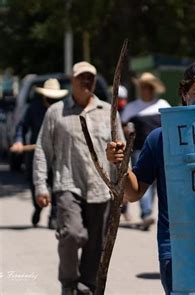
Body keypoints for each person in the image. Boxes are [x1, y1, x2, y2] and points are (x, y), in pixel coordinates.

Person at [106, 58, 195, 294]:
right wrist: (122, 163)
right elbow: (134, 192)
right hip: (178, 250)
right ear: (183, 94)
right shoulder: (160, 139)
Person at [33, 61, 124, 295]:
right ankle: (69, 282)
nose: (86, 82)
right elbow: (43, 150)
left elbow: (122, 152)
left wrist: (122, 189)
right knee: (73, 234)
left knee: (96, 244)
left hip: (101, 187)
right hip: (68, 185)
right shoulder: (56, 112)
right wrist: (41, 186)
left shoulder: (108, 112)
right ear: (71, 81)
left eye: (90, 78)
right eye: (81, 77)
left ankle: (86, 286)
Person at [10, 78, 68, 229]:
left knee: (57, 184)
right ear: (43, 96)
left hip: (58, 153)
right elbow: (22, 126)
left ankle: (54, 216)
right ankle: (38, 207)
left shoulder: (65, 109)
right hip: (36, 152)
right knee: (36, 184)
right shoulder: (33, 108)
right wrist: (18, 141)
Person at [120, 72, 170, 230]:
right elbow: (122, 126)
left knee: (155, 184)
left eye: (148, 87)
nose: (145, 90)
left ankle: (147, 212)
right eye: (143, 87)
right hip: (139, 150)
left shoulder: (163, 105)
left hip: (161, 150)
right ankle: (146, 213)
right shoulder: (131, 108)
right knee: (141, 179)